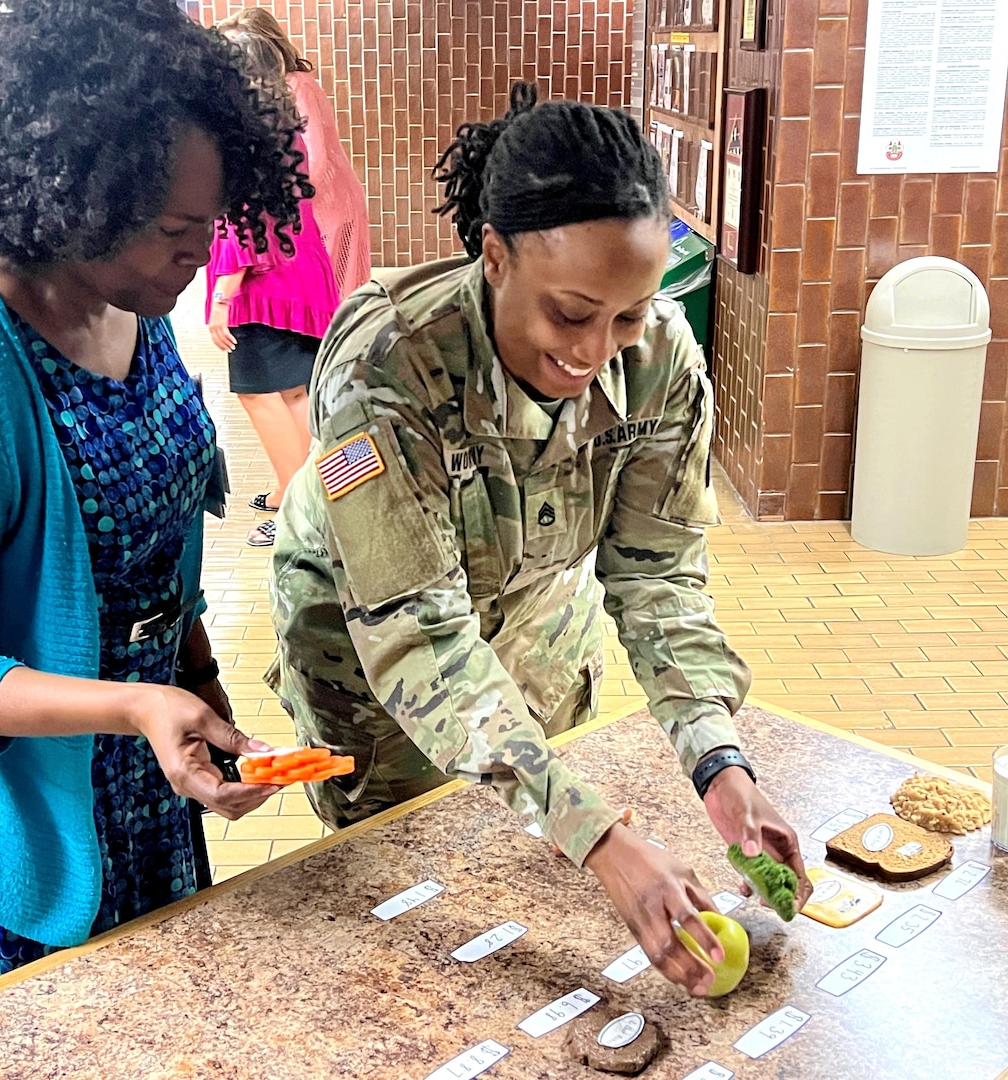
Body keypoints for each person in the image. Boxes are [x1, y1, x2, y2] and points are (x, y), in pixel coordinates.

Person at [0, 1, 305, 1074]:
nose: (201, 255)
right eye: (176, 232)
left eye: (210, 224)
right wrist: (132, 702)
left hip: (117, 762)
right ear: (77, 198)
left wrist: (199, 686)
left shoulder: (140, 314)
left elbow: (160, 536)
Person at [267, 83, 810, 998]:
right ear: (494, 255)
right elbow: (421, 639)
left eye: (629, 314)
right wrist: (601, 835)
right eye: (570, 313)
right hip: (381, 667)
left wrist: (718, 760)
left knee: (540, 885)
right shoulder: (388, 368)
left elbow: (658, 577)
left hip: (540, 633)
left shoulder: (663, 356)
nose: (598, 348)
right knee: (417, 922)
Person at [207, 31, 340, 547]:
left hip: (264, 291)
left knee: (259, 394)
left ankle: (298, 506)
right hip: (304, 278)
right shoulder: (285, 127)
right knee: (296, 391)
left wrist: (222, 299)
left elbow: (243, 233)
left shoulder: (237, 140)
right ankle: (313, 496)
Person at [217, 5, 372, 299]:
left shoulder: (297, 86)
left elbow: (316, 159)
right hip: (302, 215)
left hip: (330, 210)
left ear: (264, 48)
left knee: (339, 304)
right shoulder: (261, 92)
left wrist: (278, 201)